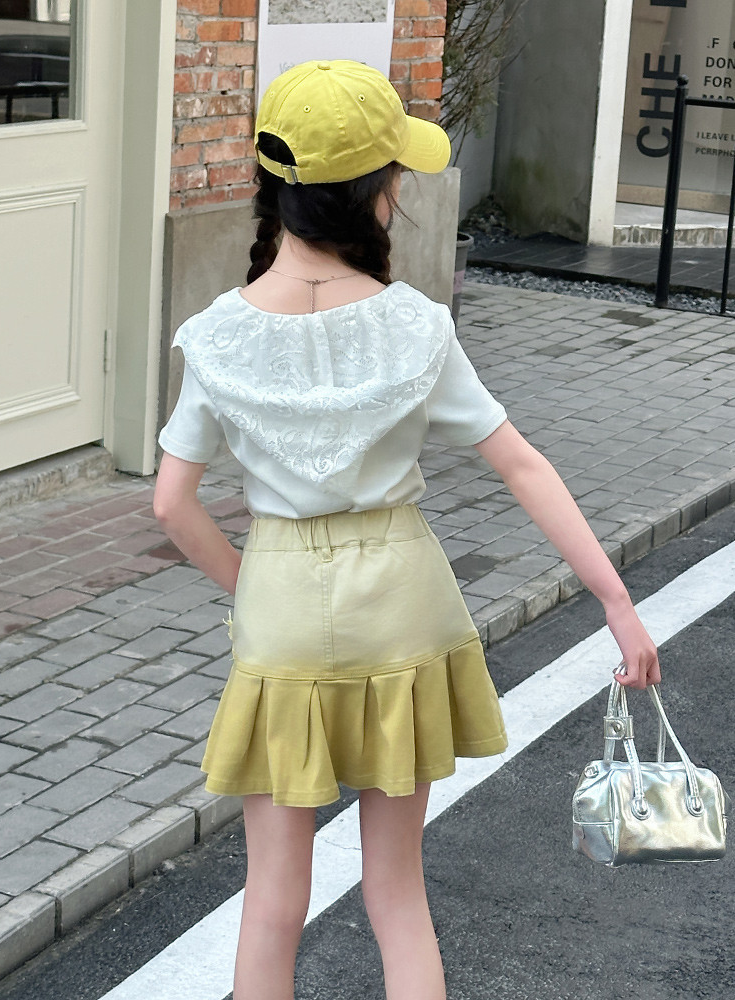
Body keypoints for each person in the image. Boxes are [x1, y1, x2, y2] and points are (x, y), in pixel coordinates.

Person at [153, 59, 661, 1000]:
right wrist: (617, 601)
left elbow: (170, 505)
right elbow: (522, 463)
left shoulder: (219, 334)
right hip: (404, 603)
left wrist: (251, 583)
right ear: (374, 192)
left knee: (272, 901)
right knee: (395, 889)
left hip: (283, 608)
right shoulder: (414, 326)